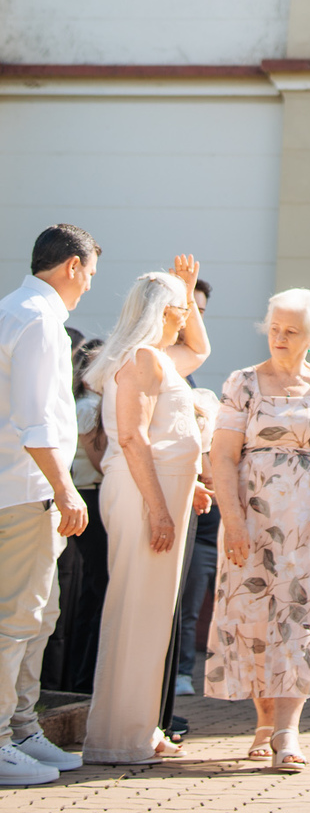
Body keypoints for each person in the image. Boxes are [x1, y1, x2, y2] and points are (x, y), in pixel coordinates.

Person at [204, 288, 310, 772]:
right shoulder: (243, 383)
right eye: (274, 327)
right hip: (252, 520)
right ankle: (262, 721)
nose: (279, 336)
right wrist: (232, 521)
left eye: (291, 331)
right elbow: (222, 455)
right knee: (256, 617)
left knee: (299, 620)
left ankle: (286, 730)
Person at [83, 257, 211, 765]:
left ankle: (141, 726)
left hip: (161, 493)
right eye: (180, 309)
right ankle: (121, 737)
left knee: (152, 616)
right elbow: (133, 439)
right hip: (144, 496)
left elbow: (200, 348)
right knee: (135, 613)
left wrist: (189, 487)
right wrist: (160, 510)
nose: (185, 318)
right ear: (160, 312)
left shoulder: (155, 356)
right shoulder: (141, 359)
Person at [0, 223, 100, 786]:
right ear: (71, 267)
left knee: (37, 616)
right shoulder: (38, 321)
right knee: (19, 618)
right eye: (89, 273)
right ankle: (4, 734)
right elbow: (35, 423)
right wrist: (63, 489)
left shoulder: (15, 309)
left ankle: (21, 727)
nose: (88, 285)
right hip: (28, 490)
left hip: (21, 488)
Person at [176, 279, 220, 699]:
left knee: (192, 604)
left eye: (201, 311)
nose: (195, 318)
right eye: (190, 308)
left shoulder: (191, 378)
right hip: (168, 506)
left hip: (205, 517)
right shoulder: (156, 365)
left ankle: (181, 673)